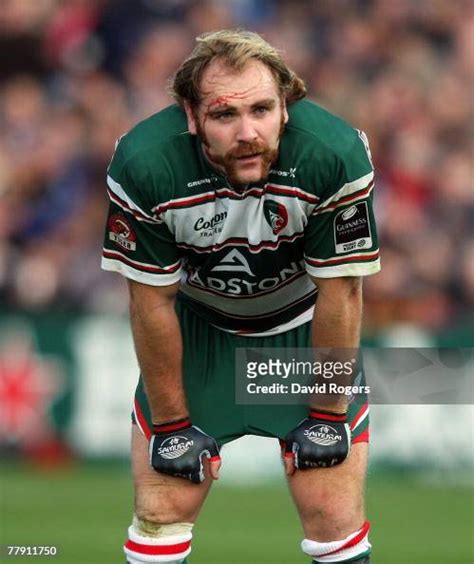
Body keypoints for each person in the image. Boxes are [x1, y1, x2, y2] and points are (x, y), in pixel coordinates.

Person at [101, 29, 380, 564]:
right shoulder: (145, 163)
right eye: (225, 115)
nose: (248, 131)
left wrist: (326, 411)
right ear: (191, 115)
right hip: (198, 333)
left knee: (331, 516)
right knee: (160, 512)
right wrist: (173, 426)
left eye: (262, 109)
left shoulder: (334, 154)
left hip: (299, 334)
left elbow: (341, 293)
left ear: (286, 105)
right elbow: (150, 302)